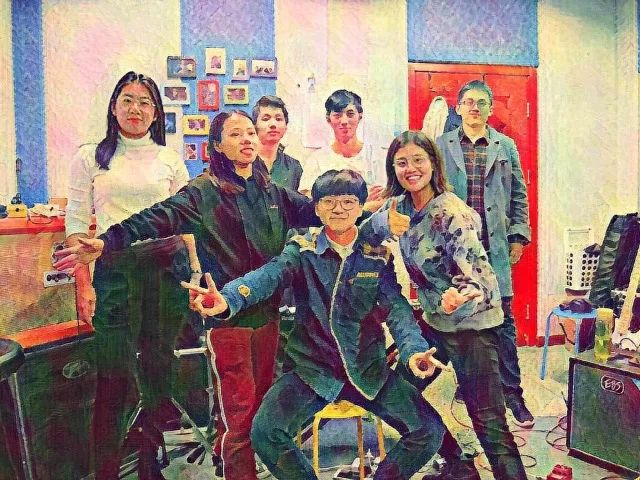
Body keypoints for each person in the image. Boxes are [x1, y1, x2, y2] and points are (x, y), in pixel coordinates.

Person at [54, 110, 326, 480]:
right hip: (226, 317)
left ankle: (227, 461)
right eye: (235, 134)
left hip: (268, 316)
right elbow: (154, 218)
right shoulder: (202, 192)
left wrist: (362, 205)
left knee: (258, 409)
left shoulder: (272, 191)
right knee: (240, 415)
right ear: (218, 146)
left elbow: (317, 212)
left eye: (250, 132)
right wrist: (105, 242)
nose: (247, 139)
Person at [183, 169, 450, 480]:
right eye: (329, 202)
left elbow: (398, 310)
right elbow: (267, 277)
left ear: (361, 207)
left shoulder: (376, 257)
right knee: (265, 433)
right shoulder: (302, 249)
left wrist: (413, 351)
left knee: (429, 430)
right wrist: (227, 298)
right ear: (317, 208)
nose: (339, 209)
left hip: (367, 370)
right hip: (313, 371)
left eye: (348, 202)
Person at [367, 131, 528, 480]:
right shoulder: (400, 207)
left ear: (433, 164)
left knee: (487, 420)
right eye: (401, 163)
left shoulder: (452, 213)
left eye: (418, 160)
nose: (411, 169)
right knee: (399, 393)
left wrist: (460, 294)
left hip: (473, 325)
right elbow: (367, 230)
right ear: (393, 169)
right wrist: (365, 210)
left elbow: (479, 276)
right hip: (436, 321)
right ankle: (457, 462)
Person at [63, 71, 192, 480]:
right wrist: (84, 284)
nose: (136, 109)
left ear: (156, 112)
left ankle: (150, 463)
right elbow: (76, 221)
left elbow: (185, 221)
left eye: (145, 102)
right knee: (113, 373)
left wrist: (195, 274)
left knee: (158, 370)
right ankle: (106, 470)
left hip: (166, 271)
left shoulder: (169, 159)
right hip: (115, 271)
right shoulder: (91, 157)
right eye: (127, 100)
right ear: (114, 106)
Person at [436, 80, 533, 427]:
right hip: (456, 249)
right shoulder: (442, 145)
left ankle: (513, 394)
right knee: (463, 318)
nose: (474, 107)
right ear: (458, 108)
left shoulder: (505, 146)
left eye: (481, 102)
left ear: (490, 109)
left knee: (503, 321)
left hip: (494, 247)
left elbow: (519, 194)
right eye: (468, 102)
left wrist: (518, 236)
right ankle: (468, 386)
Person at [299, 89, 386, 200]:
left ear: (360, 116)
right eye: (337, 115)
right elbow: (307, 198)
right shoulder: (317, 160)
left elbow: (384, 196)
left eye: (350, 114)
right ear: (328, 119)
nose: (344, 121)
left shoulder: (376, 157)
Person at [252, 95, 303, 191]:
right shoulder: (245, 162)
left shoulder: (293, 166)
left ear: (286, 127)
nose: (273, 124)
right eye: (266, 119)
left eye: (278, 119)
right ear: (254, 126)